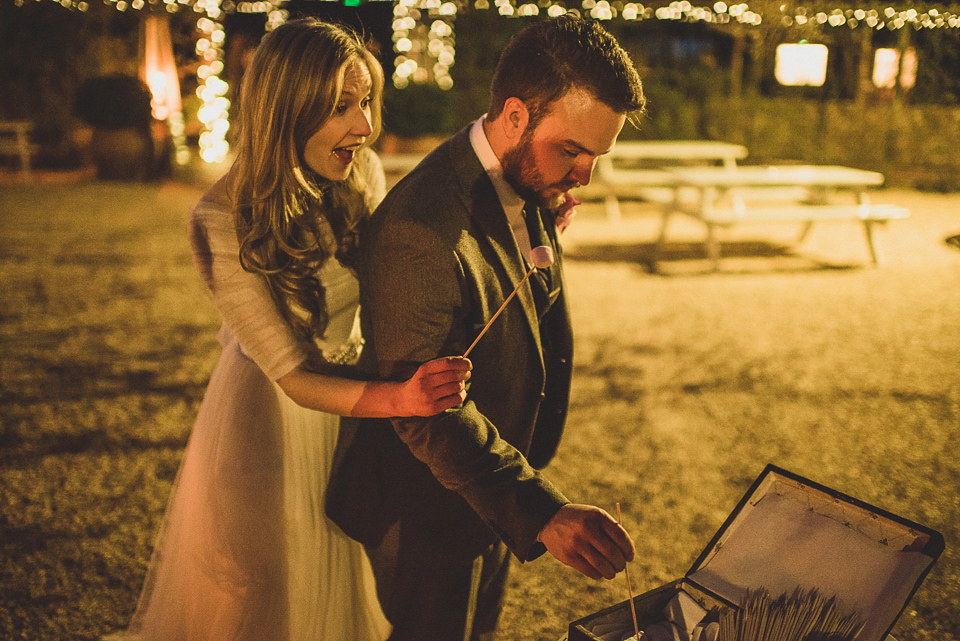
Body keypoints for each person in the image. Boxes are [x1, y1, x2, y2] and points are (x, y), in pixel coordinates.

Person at [115, 18, 471, 641]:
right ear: (287, 108)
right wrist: (401, 400)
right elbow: (292, 376)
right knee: (271, 592)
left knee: (343, 580)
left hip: (353, 410)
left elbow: (413, 252)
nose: (364, 127)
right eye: (341, 107)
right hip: (274, 421)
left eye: (365, 103)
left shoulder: (357, 175)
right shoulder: (221, 217)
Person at [326, 14, 646, 641]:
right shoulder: (422, 230)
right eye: (572, 151)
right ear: (516, 115)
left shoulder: (522, 180)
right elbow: (422, 410)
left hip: (490, 494)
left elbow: (516, 304)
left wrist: (545, 227)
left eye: (595, 156)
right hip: (424, 509)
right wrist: (542, 512)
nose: (584, 175)